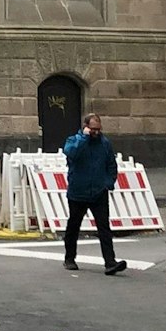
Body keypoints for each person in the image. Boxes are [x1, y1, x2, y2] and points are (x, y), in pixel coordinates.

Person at [61, 112, 127, 275]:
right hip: (78, 192)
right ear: (85, 128)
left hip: (98, 192)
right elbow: (71, 153)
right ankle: (69, 258)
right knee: (73, 226)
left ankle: (110, 262)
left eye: (98, 129)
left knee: (104, 227)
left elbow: (111, 164)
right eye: (93, 129)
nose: (96, 133)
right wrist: (84, 138)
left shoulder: (104, 143)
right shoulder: (74, 141)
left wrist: (108, 183)